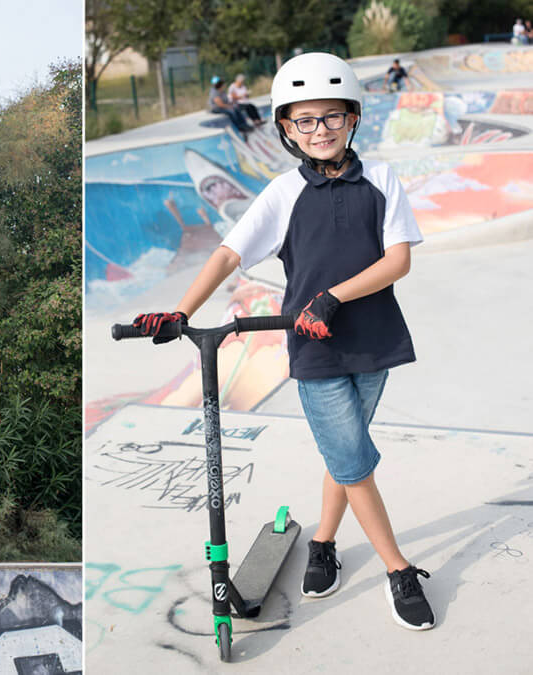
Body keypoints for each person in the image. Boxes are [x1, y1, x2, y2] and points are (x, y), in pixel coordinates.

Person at [133, 52, 435, 631]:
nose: (319, 130)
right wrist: (181, 311)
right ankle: (398, 570)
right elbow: (227, 253)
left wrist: (335, 295)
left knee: (345, 456)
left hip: (374, 342)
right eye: (304, 121)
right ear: (285, 129)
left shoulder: (382, 180)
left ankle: (322, 541)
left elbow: (397, 261)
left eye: (331, 117)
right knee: (351, 458)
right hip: (315, 349)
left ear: (352, 119)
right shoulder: (280, 194)